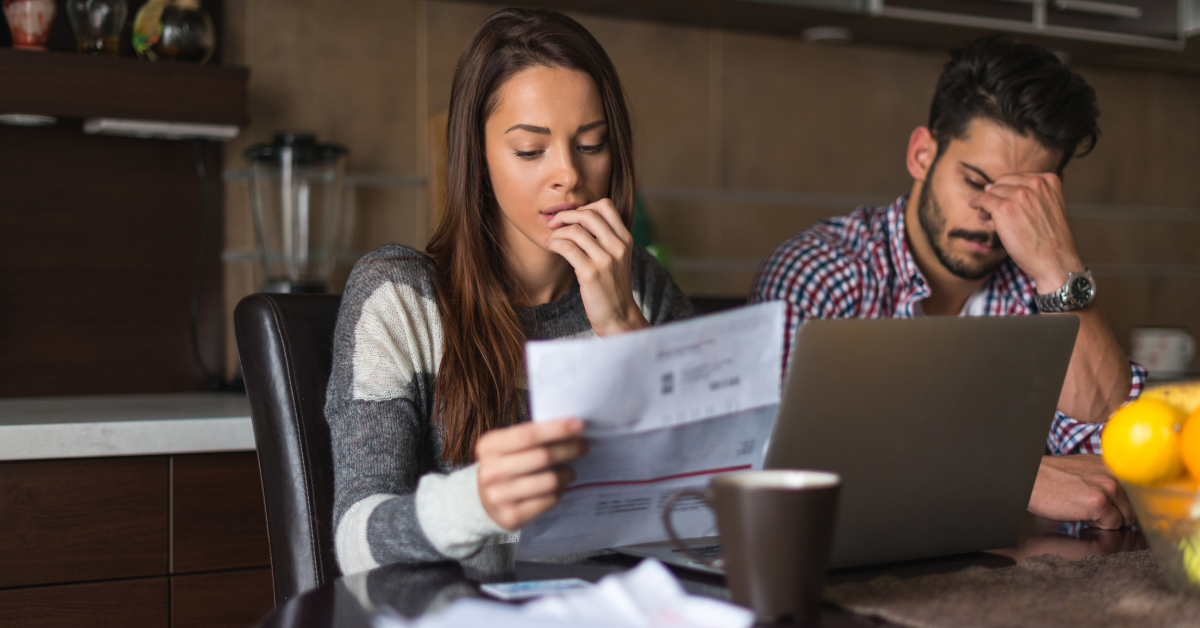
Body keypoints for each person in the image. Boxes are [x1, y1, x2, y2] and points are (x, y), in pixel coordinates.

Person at [326, 8, 693, 574]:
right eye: (530, 150)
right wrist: (476, 503)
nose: (568, 175)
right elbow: (356, 543)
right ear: (478, 156)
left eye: (591, 145)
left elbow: (707, 507)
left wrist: (624, 328)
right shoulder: (400, 298)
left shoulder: (641, 286)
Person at [750, 35, 1146, 530]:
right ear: (922, 154)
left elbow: (1126, 466)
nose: (991, 215)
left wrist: (1058, 266)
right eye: (977, 182)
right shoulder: (823, 272)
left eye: (1022, 197)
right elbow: (778, 475)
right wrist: (1016, 477)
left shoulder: (1042, 291)